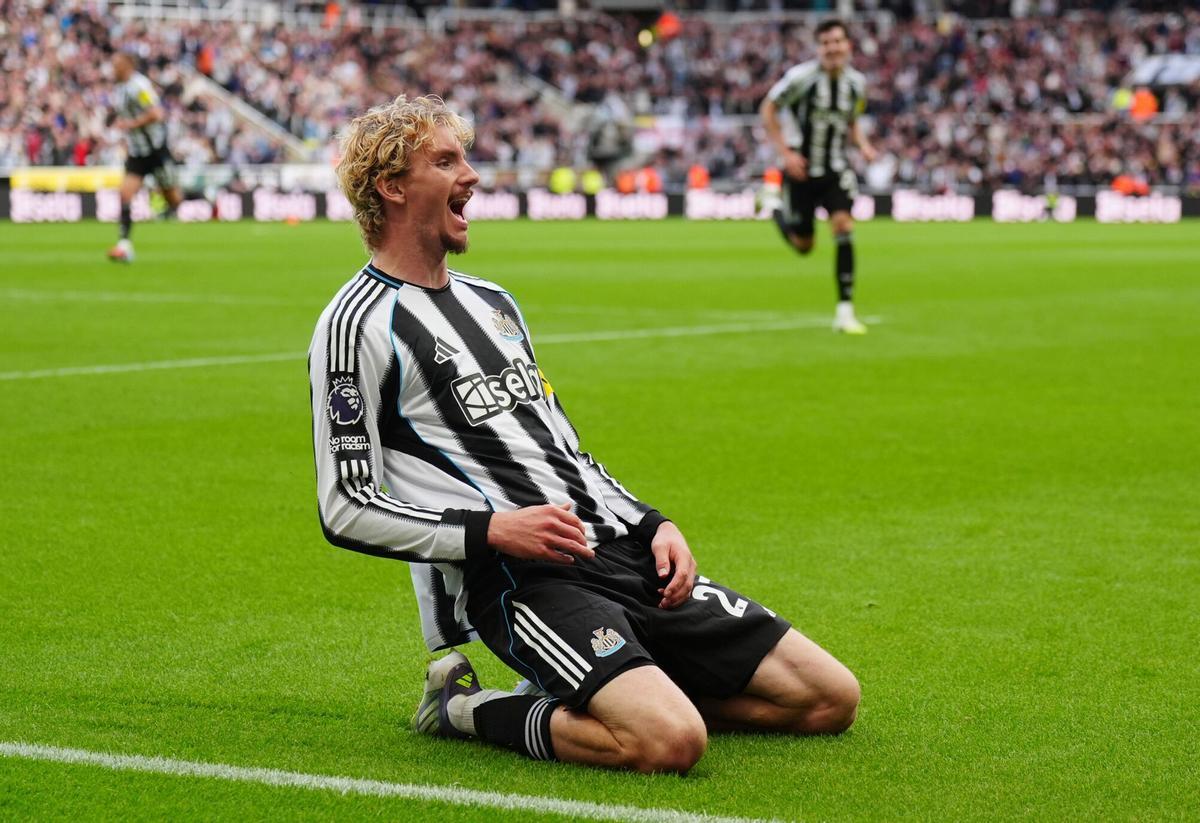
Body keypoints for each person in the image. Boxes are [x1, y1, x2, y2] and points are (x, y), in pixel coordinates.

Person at [309, 95, 860, 774]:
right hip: (526, 577)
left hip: (621, 548)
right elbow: (346, 505)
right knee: (670, 742)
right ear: (391, 187)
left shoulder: (494, 302)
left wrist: (652, 520)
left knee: (830, 698)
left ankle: (608, 684)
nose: (473, 175)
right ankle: (460, 708)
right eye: (446, 161)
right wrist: (492, 530)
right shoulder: (354, 325)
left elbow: (563, 447)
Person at [760, 19, 877, 334]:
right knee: (804, 245)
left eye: (837, 41)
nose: (833, 48)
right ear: (818, 48)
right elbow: (768, 108)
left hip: (835, 168)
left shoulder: (856, 84)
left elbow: (852, 120)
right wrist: (785, 153)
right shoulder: (801, 78)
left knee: (843, 227)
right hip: (801, 170)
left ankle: (845, 311)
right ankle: (773, 208)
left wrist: (864, 145)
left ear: (848, 45)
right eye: (826, 43)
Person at [106, 51, 183, 263]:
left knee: (173, 198)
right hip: (137, 151)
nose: (113, 68)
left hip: (155, 150)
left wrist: (130, 124)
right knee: (124, 194)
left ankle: (207, 199)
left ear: (128, 65)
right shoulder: (119, 88)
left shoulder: (139, 86)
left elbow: (157, 113)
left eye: (116, 64)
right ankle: (124, 244)